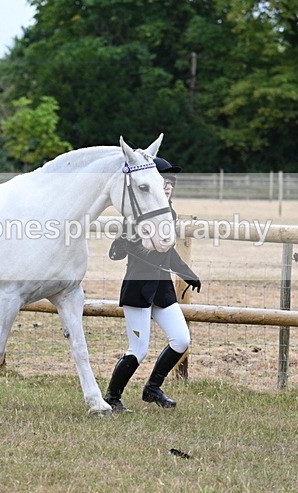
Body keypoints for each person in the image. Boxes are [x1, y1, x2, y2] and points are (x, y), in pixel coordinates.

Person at [104, 157, 201, 412]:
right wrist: (123, 244)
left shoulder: (170, 213)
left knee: (181, 339)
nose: (168, 185)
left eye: (172, 182)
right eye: (164, 181)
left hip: (162, 290)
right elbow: (115, 253)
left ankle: (152, 388)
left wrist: (187, 273)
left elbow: (169, 252)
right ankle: (112, 398)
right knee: (139, 349)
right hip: (138, 289)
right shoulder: (135, 214)